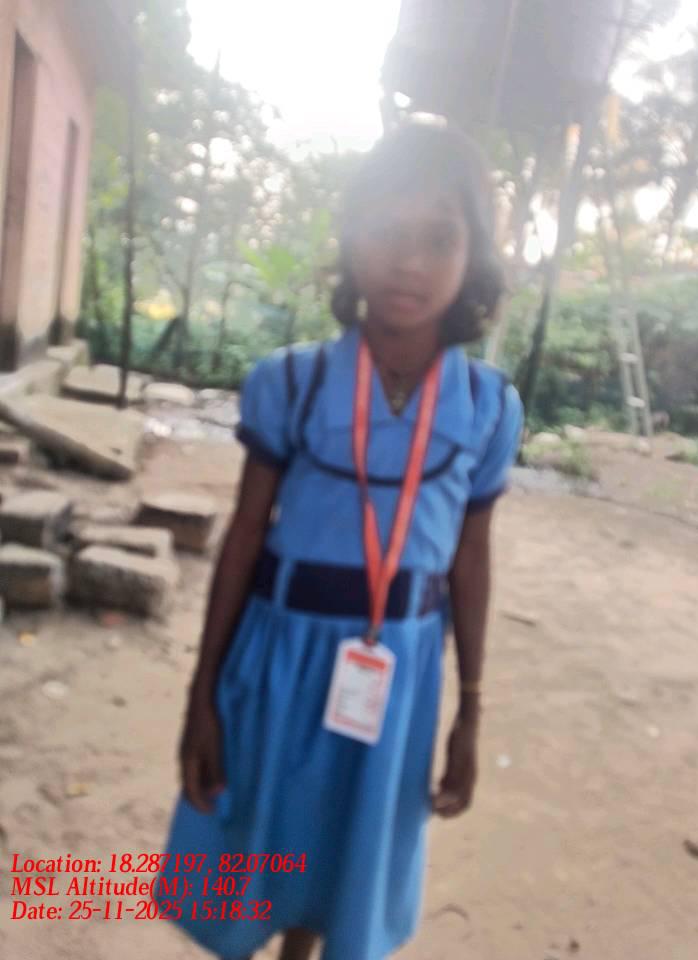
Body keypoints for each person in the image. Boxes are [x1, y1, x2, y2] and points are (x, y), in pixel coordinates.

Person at [153, 120, 524, 960]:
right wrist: (201, 694)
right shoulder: (293, 382)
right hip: (278, 658)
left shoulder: (487, 408)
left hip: (398, 672)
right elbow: (245, 538)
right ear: (352, 238)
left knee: (344, 852)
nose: (410, 260)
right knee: (258, 841)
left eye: (440, 238)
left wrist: (470, 710)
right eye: (388, 230)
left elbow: (471, 559)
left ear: (473, 258)